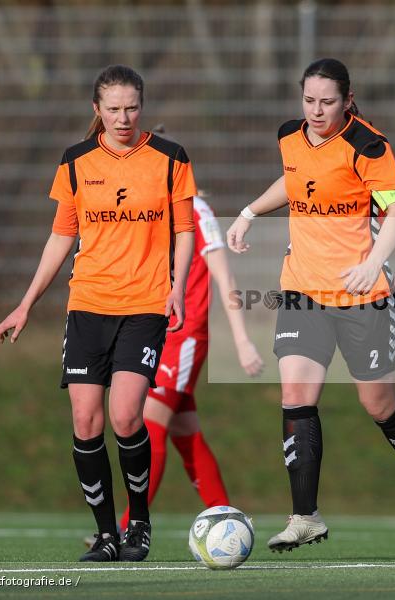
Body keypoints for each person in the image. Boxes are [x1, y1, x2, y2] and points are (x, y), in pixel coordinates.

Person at [226, 57, 395, 552]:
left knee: (377, 404)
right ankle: (305, 516)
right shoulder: (290, 135)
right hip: (303, 290)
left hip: (363, 295)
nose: (317, 111)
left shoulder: (368, 145)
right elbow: (296, 179)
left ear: (348, 99)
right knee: (296, 398)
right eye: (309, 101)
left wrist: (375, 262)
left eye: (327, 101)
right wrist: (249, 212)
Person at [0, 65, 197, 562]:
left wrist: (175, 287)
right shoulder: (76, 161)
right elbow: (61, 237)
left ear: (142, 106)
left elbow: (185, 230)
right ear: (97, 110)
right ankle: (107, 535)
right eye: (113, 109)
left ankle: (139, 524)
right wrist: (25, 304)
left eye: (131, 107)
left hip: (145, 304)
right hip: (88, 306)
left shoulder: (170, 158)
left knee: (125, 415)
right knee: (86, 422)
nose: (123, 117)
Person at [115, 126, 265, 533]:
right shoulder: (145, 210)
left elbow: (224, 278)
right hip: (151, 335)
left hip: (183, 338)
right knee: (186, 435)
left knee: (149, 425)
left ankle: (130, 526)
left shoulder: (197, 211)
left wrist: (242, 340)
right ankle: (228, 519)